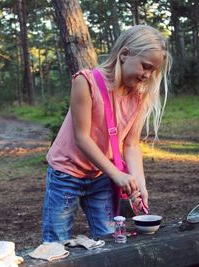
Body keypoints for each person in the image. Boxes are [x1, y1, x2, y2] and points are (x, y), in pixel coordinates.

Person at [42, 25, 171, 243]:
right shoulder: (86, 82)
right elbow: (81, 138)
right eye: (145, 66)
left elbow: (131, 145)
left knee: (110, 238)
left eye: (153, 71)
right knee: (56, 241)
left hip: (101, 176)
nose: (147, 75)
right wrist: (117, 174)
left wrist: (139, 182)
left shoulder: (138, 97)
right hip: (66, 173)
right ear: (124, 54)